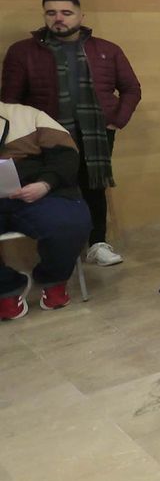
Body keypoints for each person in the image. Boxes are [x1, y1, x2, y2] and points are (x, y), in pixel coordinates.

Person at [2, 0, 141, 266]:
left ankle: (98, 243)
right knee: (57, 185)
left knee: (94, 186)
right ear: (44, 16)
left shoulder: (107, 49)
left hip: (97, 133)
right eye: (51, 13)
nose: (59, 19)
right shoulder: (23, 51)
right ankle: (64, 247)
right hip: (48, 137)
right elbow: (9, 100)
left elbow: (131, 88)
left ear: (80, 16)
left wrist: (116, 120)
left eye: (66, 13)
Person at [0, 100, 93, 320]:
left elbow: (67, 154)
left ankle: (54, 280)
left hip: (41, 194)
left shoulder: (29, 116)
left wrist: (45, 184)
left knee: (69, 223)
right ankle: (6, 289)